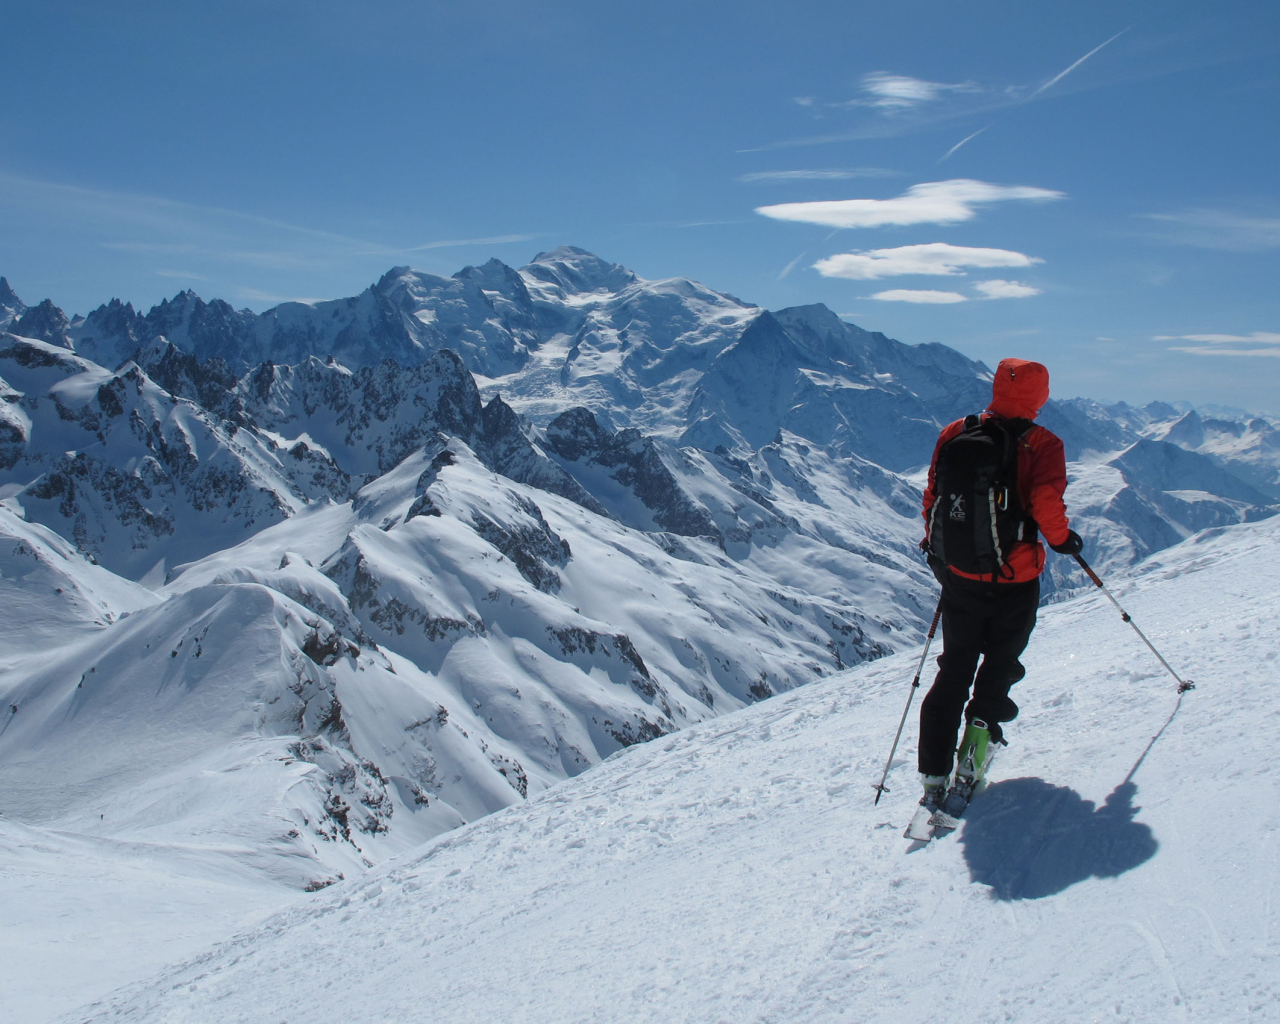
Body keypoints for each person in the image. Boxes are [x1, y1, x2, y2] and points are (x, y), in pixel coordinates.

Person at [917, 357, 1081, 803]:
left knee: (954, 669)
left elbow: (933, 494)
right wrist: (1064, 540)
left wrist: (941, 553)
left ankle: (932, 774)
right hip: (1016, 577)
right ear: (1040, 396)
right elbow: (1047, 501)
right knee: (1000, 665)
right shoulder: (1043, 443)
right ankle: (976, 751)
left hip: (961, 576)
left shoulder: (955, 431)